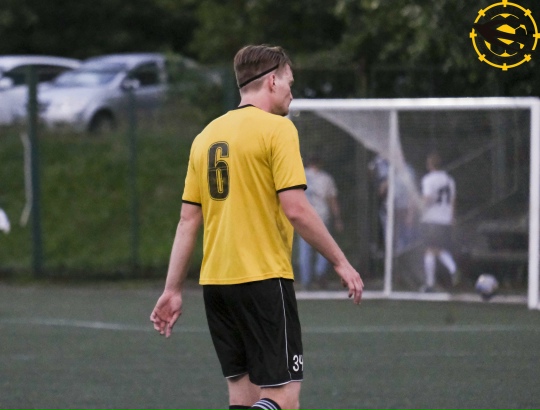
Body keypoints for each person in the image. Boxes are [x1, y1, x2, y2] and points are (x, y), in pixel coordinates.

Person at [150, 45, 364, 410]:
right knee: (284, 400)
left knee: (244, 397)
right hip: (262, 279)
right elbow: (296, 209)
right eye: (289, 83)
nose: (292, 92)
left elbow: (188, 220)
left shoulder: (205, 137)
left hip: (216, 285)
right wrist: (340, 261)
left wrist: (172, 289)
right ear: (272, 81)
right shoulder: (278, 129)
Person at [297, 155, 343, 289]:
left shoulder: (300, 175)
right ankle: (320, 273)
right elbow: (332, 199)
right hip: (321, 217)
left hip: (304, 218)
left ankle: (306, 281)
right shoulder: (326, 178)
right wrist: (337, 218)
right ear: (320, 163)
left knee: (305, 251)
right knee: (324, 248)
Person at [419, 152, 459, 292]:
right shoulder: (449, 180)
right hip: (445, 219)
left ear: (430, 165)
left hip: (432, 219)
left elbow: (427, 198)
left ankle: (431, 283)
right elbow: (453, 200)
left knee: (430, 250)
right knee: (438, 249)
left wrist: (419, 208)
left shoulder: (428, 179)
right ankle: (452, 270)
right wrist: (452, 218)